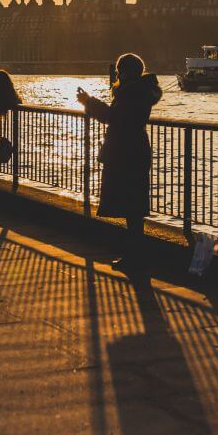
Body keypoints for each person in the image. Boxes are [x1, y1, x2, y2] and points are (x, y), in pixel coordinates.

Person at [77, 53, 162, 273]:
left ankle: (135, 257)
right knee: (134, 208)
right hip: (136, 151)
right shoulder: (141, 91)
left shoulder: (130, 93)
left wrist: (90, 103)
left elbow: (114, 117)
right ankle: (135, 256)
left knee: (130, 208)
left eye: (118, 70)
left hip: (125, 152)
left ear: (124, 72)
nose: (117, 74)